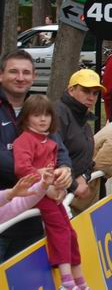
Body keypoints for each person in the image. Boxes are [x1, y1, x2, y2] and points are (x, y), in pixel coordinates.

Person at [0, 50, 72, 261]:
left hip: (33, 220)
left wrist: (64, 170)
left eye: (26, 72)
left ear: (33, 77)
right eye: (14, 72)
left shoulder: (38, 107)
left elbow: (59, 148)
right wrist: (39, 177)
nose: (20, 77)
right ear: (1, 75)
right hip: (4, 214)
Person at [14, 96, 87, 289]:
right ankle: (66, 281)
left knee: (70, 232)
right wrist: (45, 185)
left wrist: (59, 182)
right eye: (36, 115)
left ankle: (79, 280)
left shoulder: (47, 139)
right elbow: (22, 168)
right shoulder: (25, 139)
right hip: (35, 193)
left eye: (47, 114)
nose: (43, 119)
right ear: (26, 117)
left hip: (51, 191)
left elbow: (54, 166)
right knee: (61, 231)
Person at [55, 70, 104, 214]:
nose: (91, 97)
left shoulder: (83, 119)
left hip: (71, 195)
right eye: (86, 91)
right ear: (71, 90)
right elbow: (51, 156)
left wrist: (84, 176)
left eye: (95, 93)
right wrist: (73, 184)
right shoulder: (57, 114)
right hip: (54, 195)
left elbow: (87, 158)